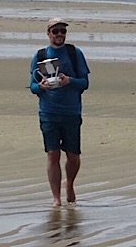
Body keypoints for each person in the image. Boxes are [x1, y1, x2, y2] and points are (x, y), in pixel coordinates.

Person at [29, 17, 90, 207]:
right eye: (56, 31)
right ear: (48, 33)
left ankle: (69, 183)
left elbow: (85, 83)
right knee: (52, 154)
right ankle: (56, 198)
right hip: (48, 112)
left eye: (63, 31)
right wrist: (41, 87)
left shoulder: (74, 53)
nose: (60, 35)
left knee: (73, 156)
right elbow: (32, 86)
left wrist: (69, 81)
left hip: (71, 112)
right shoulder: (40, 55)